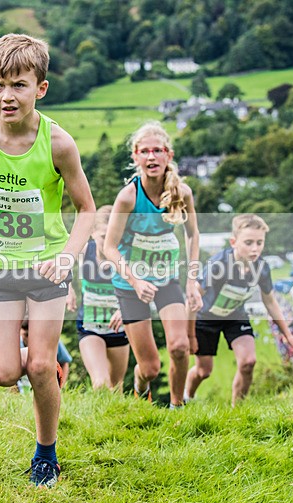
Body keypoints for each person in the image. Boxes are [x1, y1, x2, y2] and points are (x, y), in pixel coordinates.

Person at [0, 33, 95, 488]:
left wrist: (67, 258)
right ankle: (38, 355)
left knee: (41, 367)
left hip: (46, 265)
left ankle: (45, 453)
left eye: (19, 85)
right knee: (5, 373)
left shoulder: (59, 144)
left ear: (40, 88)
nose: (6, 96)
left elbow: (87, 209)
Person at [103, 121, 202, 407]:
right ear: (135, 157)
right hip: (130, 284)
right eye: (144, 151)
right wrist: (135, 280)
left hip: (166, 279)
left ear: (168, 155)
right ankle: (139, 387)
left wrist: (192, 282)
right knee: (149, 368)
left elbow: (193, 235)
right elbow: (109, 247)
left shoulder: (182, 193)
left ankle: (177, 406)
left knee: (180, 347)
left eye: (157, 150)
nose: (151, 157)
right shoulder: (128, 198)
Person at [185, 214, 293, 406]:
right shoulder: (218, 264)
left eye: (259, 242)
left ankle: (237, 410)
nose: (255, 249)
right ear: (234, 242)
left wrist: (287, 335)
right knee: (203, 371)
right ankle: (186, 398)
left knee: (248, 363)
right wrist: (189, 335)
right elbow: (192, 297)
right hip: (205, 318)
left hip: (235, 316)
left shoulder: (262, 268)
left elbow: (270, 301)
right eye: (248, 242)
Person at [66, 205, 129, 391]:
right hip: (90, 326)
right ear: (93, 233)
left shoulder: (125, 256)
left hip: (118, 329)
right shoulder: (86, 250)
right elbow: (63, 261)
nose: (108, 242)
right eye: (103, 236)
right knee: (101, 384)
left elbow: (140, 289)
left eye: (113, 235)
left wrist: (125, 309)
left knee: (116, 386)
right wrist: (68, 289)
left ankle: (112, 418)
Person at [19, 317, 72, 391]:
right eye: (26, 335)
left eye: (33, 335)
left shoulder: (50, 341)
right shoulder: (16, 344)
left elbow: (64, 362)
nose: (29, 339)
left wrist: (60, 386)